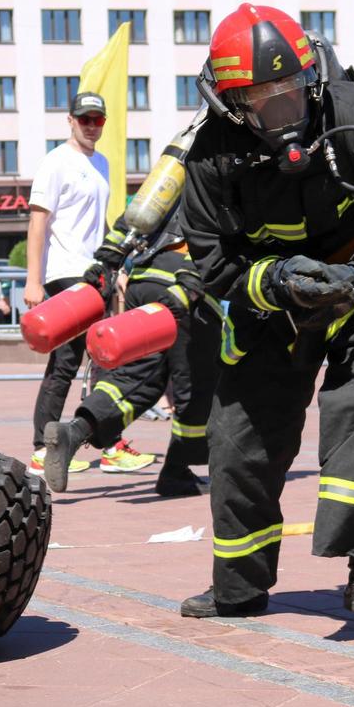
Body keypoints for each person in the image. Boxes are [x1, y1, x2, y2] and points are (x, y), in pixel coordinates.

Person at [176, 3, 354, 625]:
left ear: (312, 76)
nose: (282, 110)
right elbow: (213, 261)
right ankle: (238, 587)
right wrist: (277, 281)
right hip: (274, 305)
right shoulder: (211, 156)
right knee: (237, 435)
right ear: (229, 103)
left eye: (292, 93)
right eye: (262, 100)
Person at [43, 206, 222, 497]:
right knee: (197, 387)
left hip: (143, 280)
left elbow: (130, 221)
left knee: (136, 379)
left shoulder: (171, 175)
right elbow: (220, 232)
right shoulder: (225, 169)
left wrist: (105, 264)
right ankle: (177, 471)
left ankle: (74, 432)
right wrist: (190, 283)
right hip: (187, 290)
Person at [25, 91, 149, 477]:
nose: (92, 126)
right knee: (65, 361)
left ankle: (108, 443)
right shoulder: (55, 163)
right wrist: (33, 280)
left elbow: (101, 224)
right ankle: (42, 448)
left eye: (98, 120)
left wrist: (119, 267)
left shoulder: (102, 164)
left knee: (107, 355)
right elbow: (38, 223)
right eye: (85, 119)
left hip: (97, 273)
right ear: (70, 120)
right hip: (65, 273)